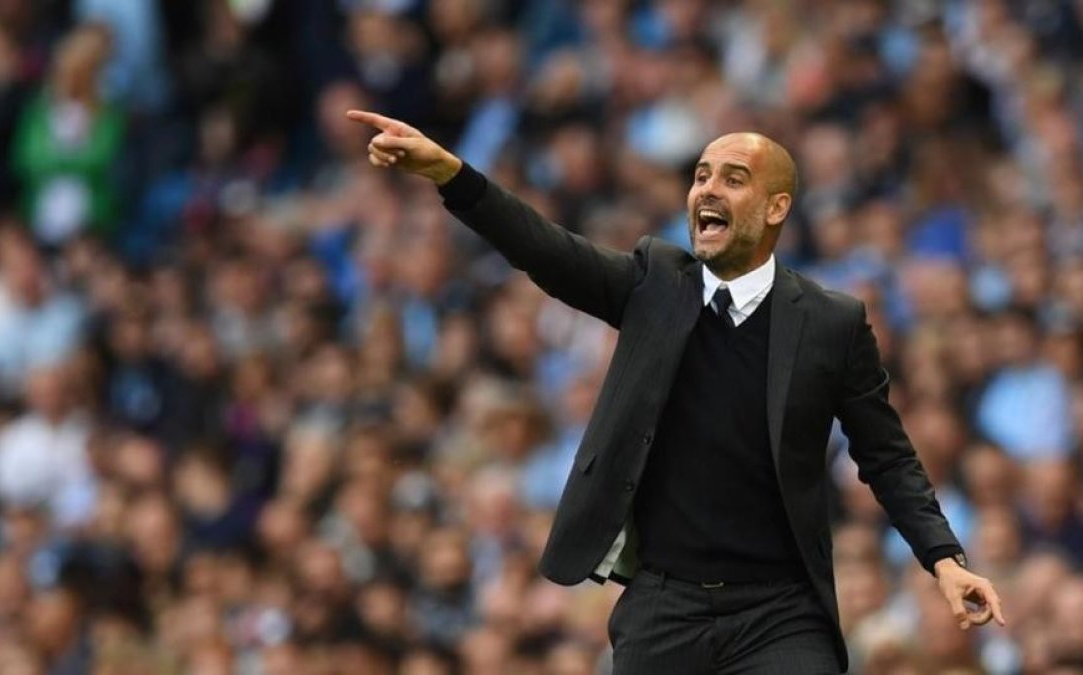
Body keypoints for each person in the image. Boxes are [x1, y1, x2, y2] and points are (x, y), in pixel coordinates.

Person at [345, 109, 1005, 674]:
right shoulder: (655, 282)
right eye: (700, 175)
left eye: (733, 178)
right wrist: (450, 175)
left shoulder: (831, 322)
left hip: (780, 610)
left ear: (777, 207)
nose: (706, 189)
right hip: (665, 604)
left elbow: (886, 456)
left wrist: (944, 559)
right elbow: (544, 250)